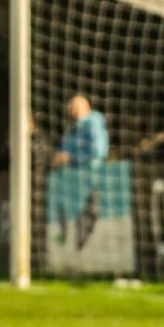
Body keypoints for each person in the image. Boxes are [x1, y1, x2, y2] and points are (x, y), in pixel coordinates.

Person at [48, 94, 108, 250]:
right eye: (71, 108)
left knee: (88, 213)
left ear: (87, 106)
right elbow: (64, 150)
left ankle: (83, 245)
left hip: (90, 177)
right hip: (72, 178)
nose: (72, 111)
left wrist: (71, 158)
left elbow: (98, 151)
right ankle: (68, 245)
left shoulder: (93, 123)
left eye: (76, 107)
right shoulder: (73, 129)